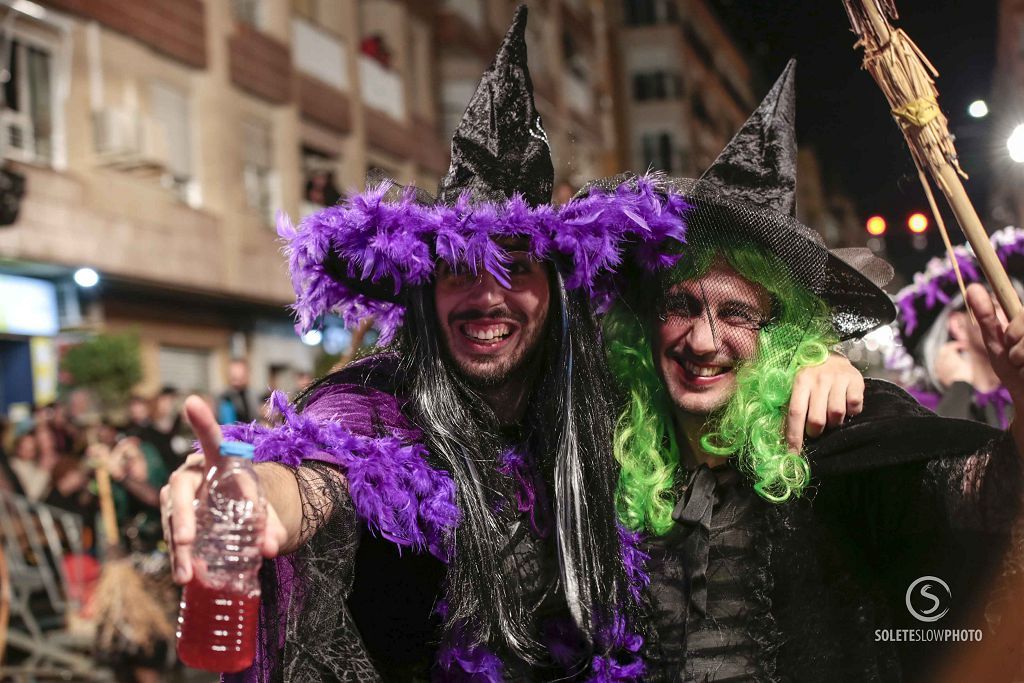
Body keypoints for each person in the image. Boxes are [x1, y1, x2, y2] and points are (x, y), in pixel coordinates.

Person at [164, 9, 661, 679]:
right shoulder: (372, 403)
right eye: (458, 267)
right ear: (425, 292)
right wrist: (257, 498)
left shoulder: (597, 409)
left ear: (557, 288)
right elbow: (320, 468)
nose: (486, 295)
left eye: (515, 265)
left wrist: (816, 369)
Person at [592, 62, 1024, 681]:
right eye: (680, 305)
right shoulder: (605, 451)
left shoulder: (844, 437)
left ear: (781, 331)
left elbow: (988, 504)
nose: (703, 339)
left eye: (736, 313)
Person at [889, 227, 1024, 429]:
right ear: (958, 325)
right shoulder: (915, 412)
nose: (1014, 314)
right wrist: (959, 389)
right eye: (997, 305)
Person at [218, 358, 254, 425]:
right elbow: (228, 424)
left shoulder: (251, 395)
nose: (237, 375)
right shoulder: (225, 397)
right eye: (234, 373)